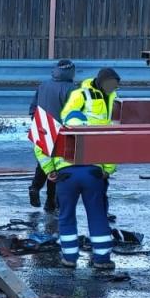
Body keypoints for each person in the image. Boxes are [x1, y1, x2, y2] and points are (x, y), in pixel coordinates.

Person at [37, 68, 121, 269]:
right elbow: (111, 147)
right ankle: (102, 259)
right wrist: (107, 170)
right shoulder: (94, 130)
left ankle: (69, 258)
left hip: (66, 176)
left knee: (66, 216)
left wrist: (50, 171)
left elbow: (41, 147)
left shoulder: (60, 129)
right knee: (97, 214)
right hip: (93, 174)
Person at [28, 58, 77, 212]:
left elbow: (33, 105)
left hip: (42, 127)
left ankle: (35, 187)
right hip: (59, 131)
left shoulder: (44, 84)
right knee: (56, 167)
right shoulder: (71, 89)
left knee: (44, 163)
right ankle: (50, 202)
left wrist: (35, 120)